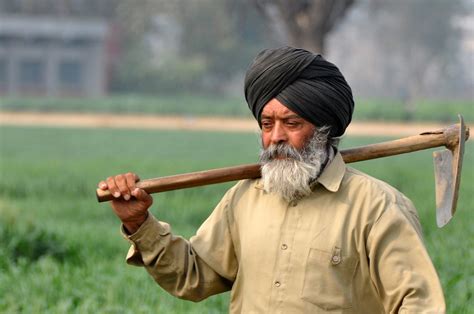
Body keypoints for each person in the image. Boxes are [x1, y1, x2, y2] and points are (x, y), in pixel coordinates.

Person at [98, 46, 446, 313]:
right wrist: (139, 222)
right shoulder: (245, 198)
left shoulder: (377, 208)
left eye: (292, 124)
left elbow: (418, 304)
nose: (275, 137)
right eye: (267, 124)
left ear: (323, 130)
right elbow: (193, 275)